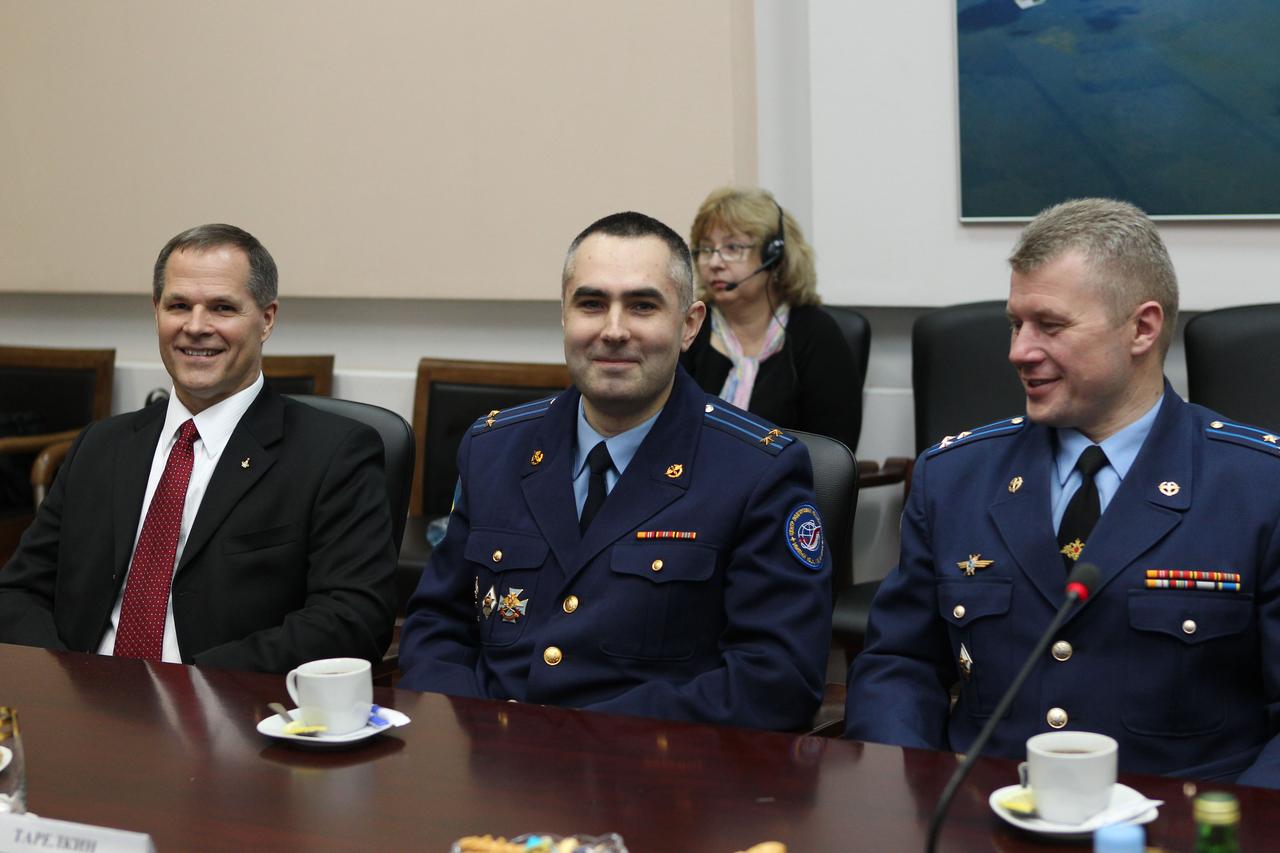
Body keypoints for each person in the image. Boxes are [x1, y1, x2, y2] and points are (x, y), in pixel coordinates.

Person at [844, 198, 1280, 787]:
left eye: (1050, 325)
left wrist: (1226, 830)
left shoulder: (1257, 487)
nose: (1019, 351)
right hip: (984, 816)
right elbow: (901, 665)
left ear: (1142, 329)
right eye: (1015, 324)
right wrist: (904, 801)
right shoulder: (955, 477)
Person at [398, 211, 831, 730]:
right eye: (591, 304)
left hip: (655, 781)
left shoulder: (757, 470)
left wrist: (577, 739)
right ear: (564, 317)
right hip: (494, 769)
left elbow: (777, 679)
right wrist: (479, 724)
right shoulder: (494, 449)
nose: (614, 330)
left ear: (689, 325)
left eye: (643, 306)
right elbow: (437, 627)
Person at [0, 224, 397, 673]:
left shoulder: (334, 454)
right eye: (179, 306)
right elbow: (17, 593)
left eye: (222, 308)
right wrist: (68, 680)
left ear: (266, 319)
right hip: (82, 707)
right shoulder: (100, 446)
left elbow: (352, 620)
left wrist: (189, 690)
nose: (195, 327)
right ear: (156, 312)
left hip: (225, 714)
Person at [680, 186, 861, 452]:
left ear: (773, 256)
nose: (714, 262)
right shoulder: (691, 326)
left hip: (787, 487)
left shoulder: (815, 333)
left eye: (732, 248)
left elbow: (832, 452)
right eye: (706, 249)